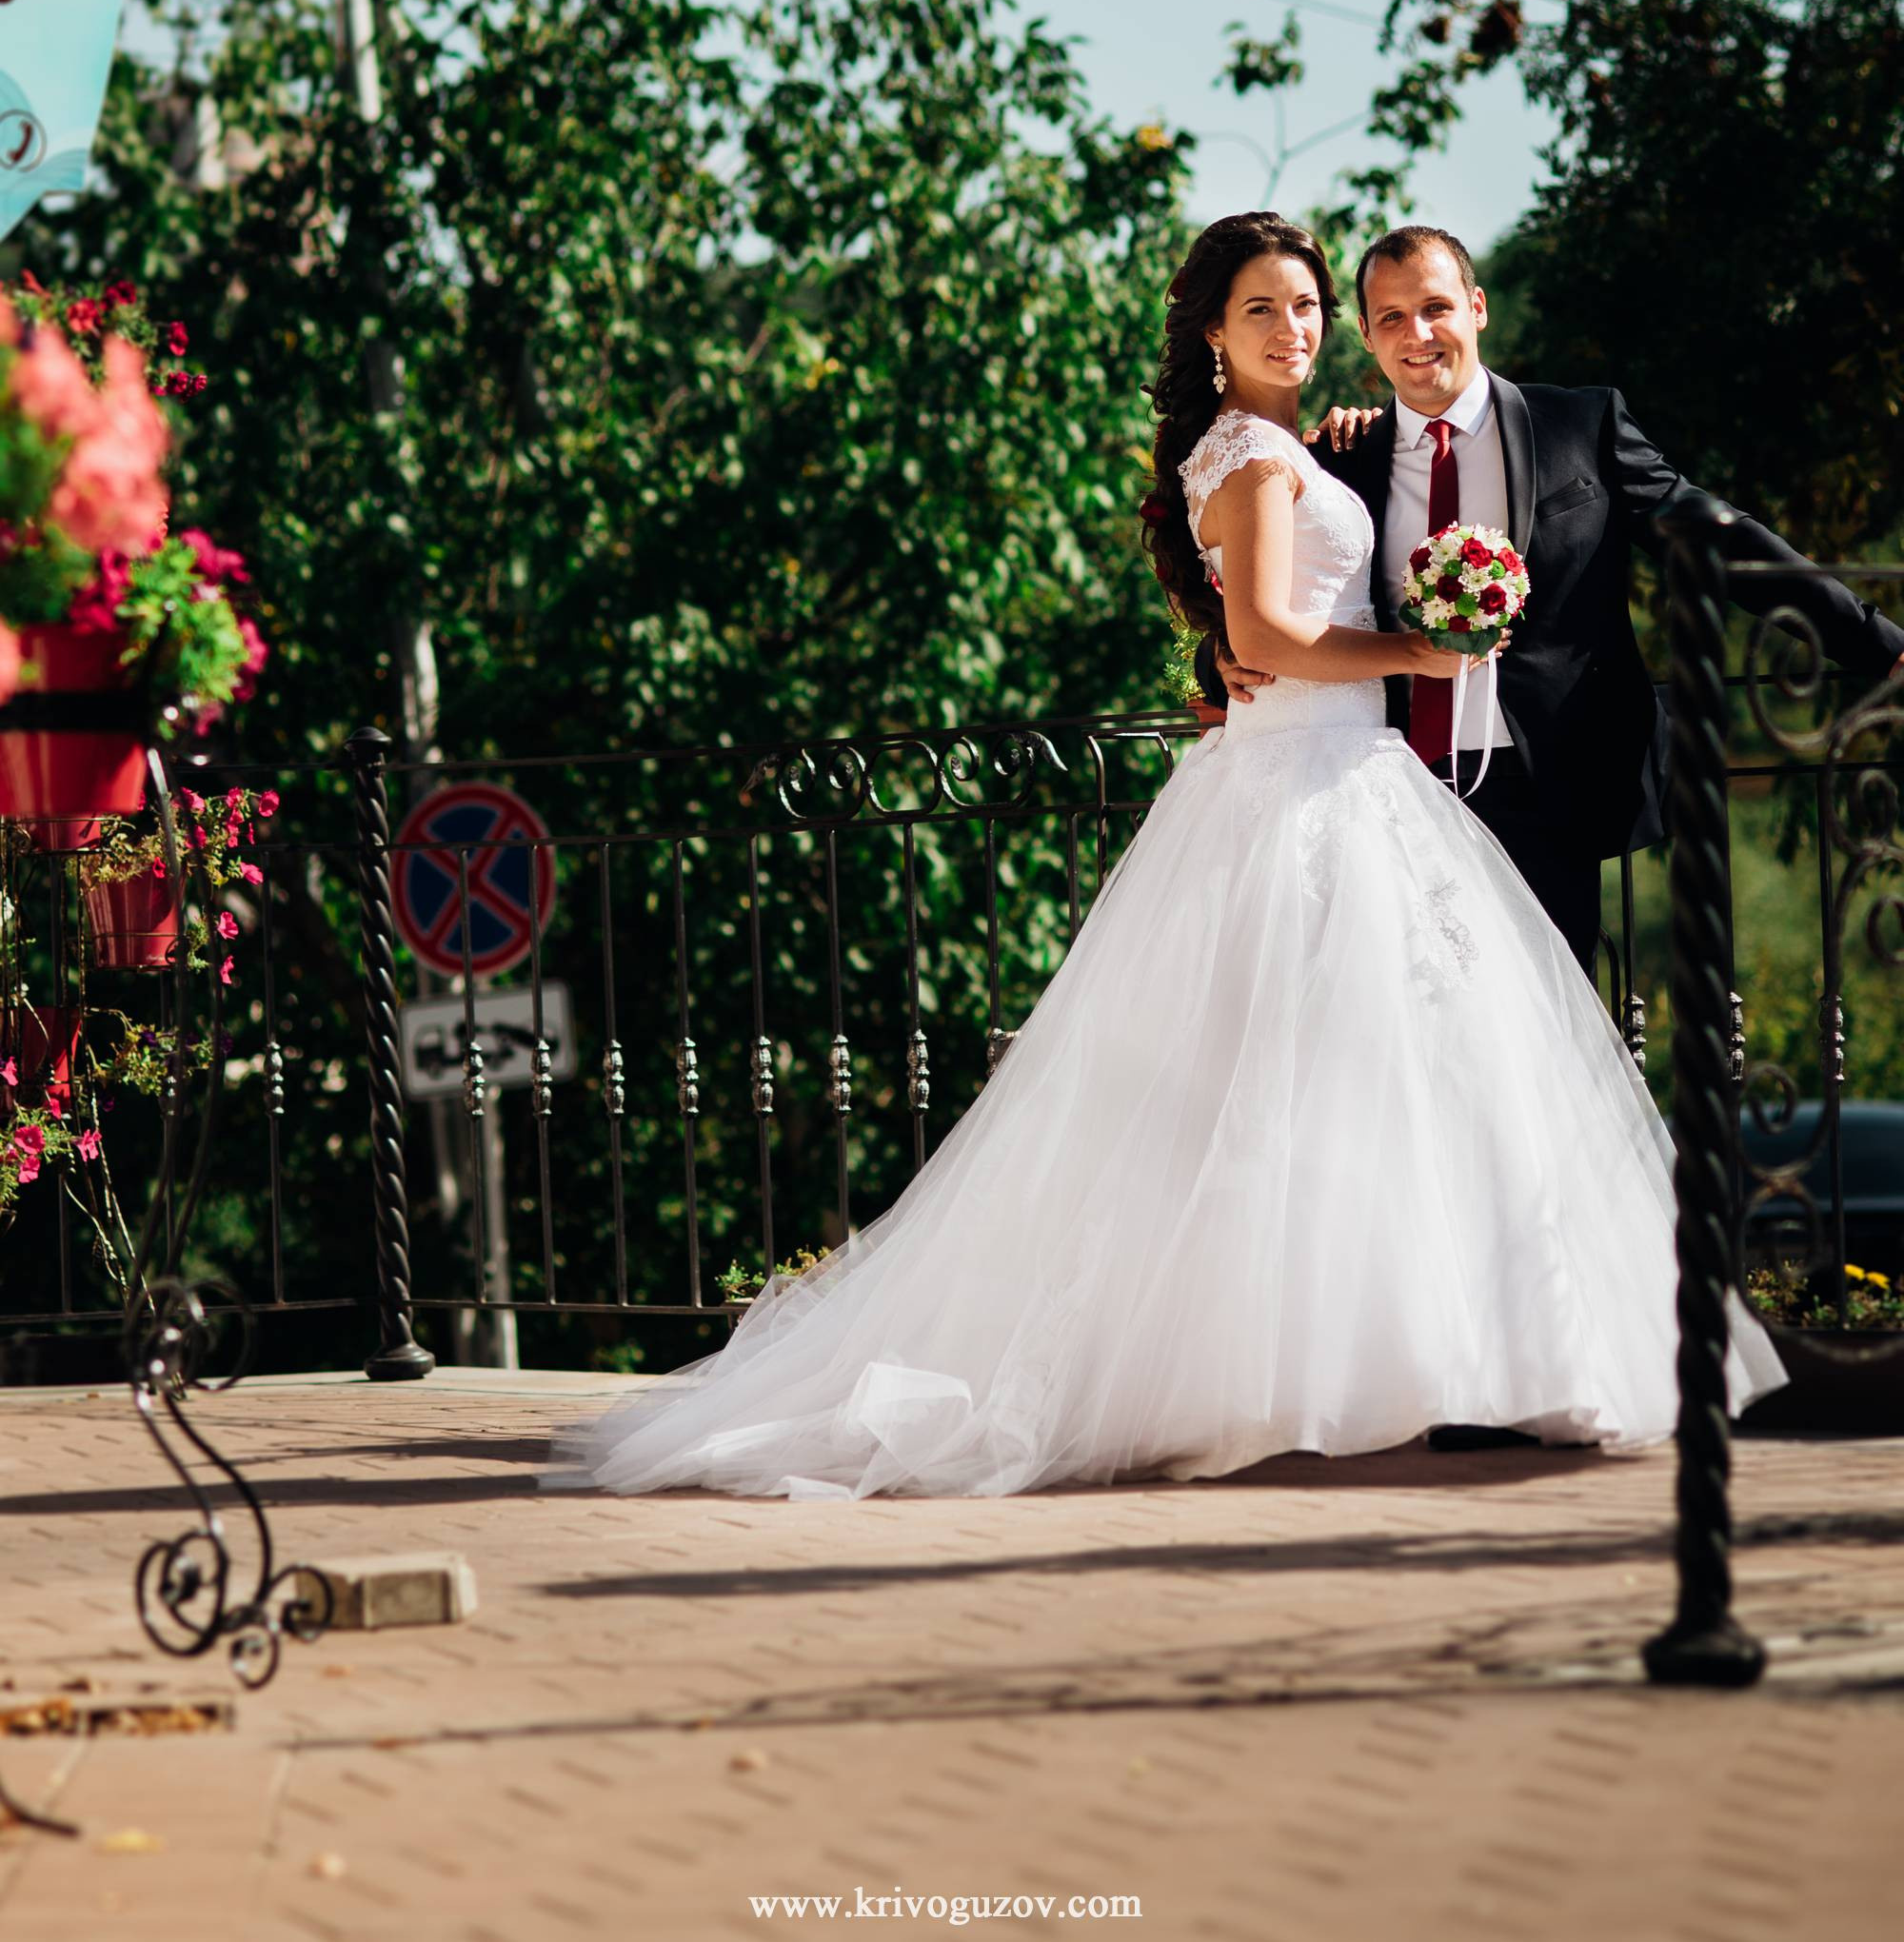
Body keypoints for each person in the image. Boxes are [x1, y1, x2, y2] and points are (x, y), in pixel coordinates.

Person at [546, 210, 1780, 1504]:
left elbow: (1265, 616)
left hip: (1348, 779)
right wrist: (1418, 653)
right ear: (1212, 332)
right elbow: (1269, 628)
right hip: (1305, 785)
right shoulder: (1249, 452)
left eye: (1307, 309)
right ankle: (1292, 1375)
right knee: (1284, 1094)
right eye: (1265, 310)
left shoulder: (1306, 446)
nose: (1293, 330)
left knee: (1377, 1093)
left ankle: (1440, 1361)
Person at [1200, 225, 1904, 975]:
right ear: (1368, 336)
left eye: (1437, 308)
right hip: (1387, 786)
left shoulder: (1580, 426)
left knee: (1539, 1037)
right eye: (1393, 319)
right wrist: (1219, 660)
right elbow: (1283, 587)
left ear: (1477, 307)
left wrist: (1880, 644)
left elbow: (1720, 543)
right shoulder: (1340, 457)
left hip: (1549, 788)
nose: (1419, 335)